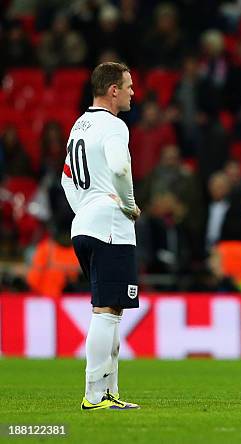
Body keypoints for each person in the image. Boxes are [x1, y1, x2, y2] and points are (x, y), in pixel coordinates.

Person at [61, 62, 141, 411]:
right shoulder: (113, 125)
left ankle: (110, 392)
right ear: (113, 90)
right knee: (106, 310)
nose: (132, 92)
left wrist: (85, 208)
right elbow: (121, 167)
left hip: (84, 224)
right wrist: (129, 203)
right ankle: (95, 395)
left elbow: (66, 179)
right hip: (110, 225)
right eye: (129, 86)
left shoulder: (80, 124)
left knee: (112, 310)